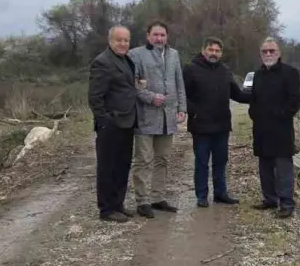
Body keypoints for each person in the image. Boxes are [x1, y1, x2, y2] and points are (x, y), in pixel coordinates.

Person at [182, 37, 251, 208]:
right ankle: (202, 195)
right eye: (211, 50)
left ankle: (220, 194)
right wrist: (194, 112)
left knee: (221, 161)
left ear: (221, 53)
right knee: (202, 162)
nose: (214, 53)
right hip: (201, 125)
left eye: (217, 51)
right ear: (203, 50)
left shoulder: (225, 71)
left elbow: (237, 94)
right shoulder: (191, 69)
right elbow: (182, 95)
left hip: (221, 125)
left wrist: (258, 95)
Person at [127, 20, 186, 218]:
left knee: (163, 159)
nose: (159, 38)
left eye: (162, 35)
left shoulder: (174, 54)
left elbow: (179, 83)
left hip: (167, 118)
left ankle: (158, 197)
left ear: (167, 37)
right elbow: (132, 84)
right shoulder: (136, 54)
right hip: (145, 116)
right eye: (156, 35)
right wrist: (150, 97)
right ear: (148, 35)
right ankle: (142, 201)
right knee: (143, 160)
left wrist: (182, 108)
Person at [247, 37, 300, 218]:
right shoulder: (257, 75)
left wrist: (279, 116)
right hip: (261, 129)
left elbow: (295, 101)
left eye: (272, 51)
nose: (268, 54)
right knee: (265, 166)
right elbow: (253, 100)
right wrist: (254, 114)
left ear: (279, 53)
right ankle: (270, 199)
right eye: (265, 51)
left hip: (281, 129)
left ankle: (286, 203)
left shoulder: (291, 73)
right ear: (261, 54)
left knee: (283, 168)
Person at [88, 25, 138, 223]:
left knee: (122, 166)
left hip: (127, 122)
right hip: (111, 125)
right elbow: (95, 97)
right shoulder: (102, 62)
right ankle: (107, 209)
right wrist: (105, 121)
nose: (123, 43)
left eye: (126, 40)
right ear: (110, 41)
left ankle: (118, 204)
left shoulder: (126, 60)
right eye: (119, 40)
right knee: (107, 167)